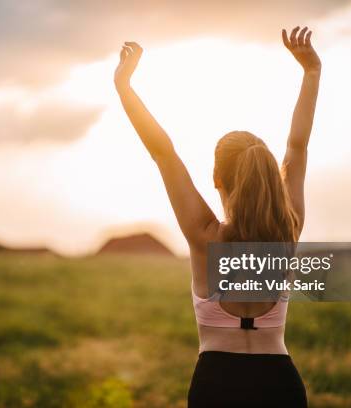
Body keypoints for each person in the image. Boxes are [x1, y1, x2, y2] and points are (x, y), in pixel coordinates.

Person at [114, 26, 320, 407]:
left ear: (216, 179)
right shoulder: (287, 230)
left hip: (217, 384)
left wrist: (124, 86)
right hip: (280, 384)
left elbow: (164, 153)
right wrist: (311, 73)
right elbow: (297, 148)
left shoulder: (204, 236)